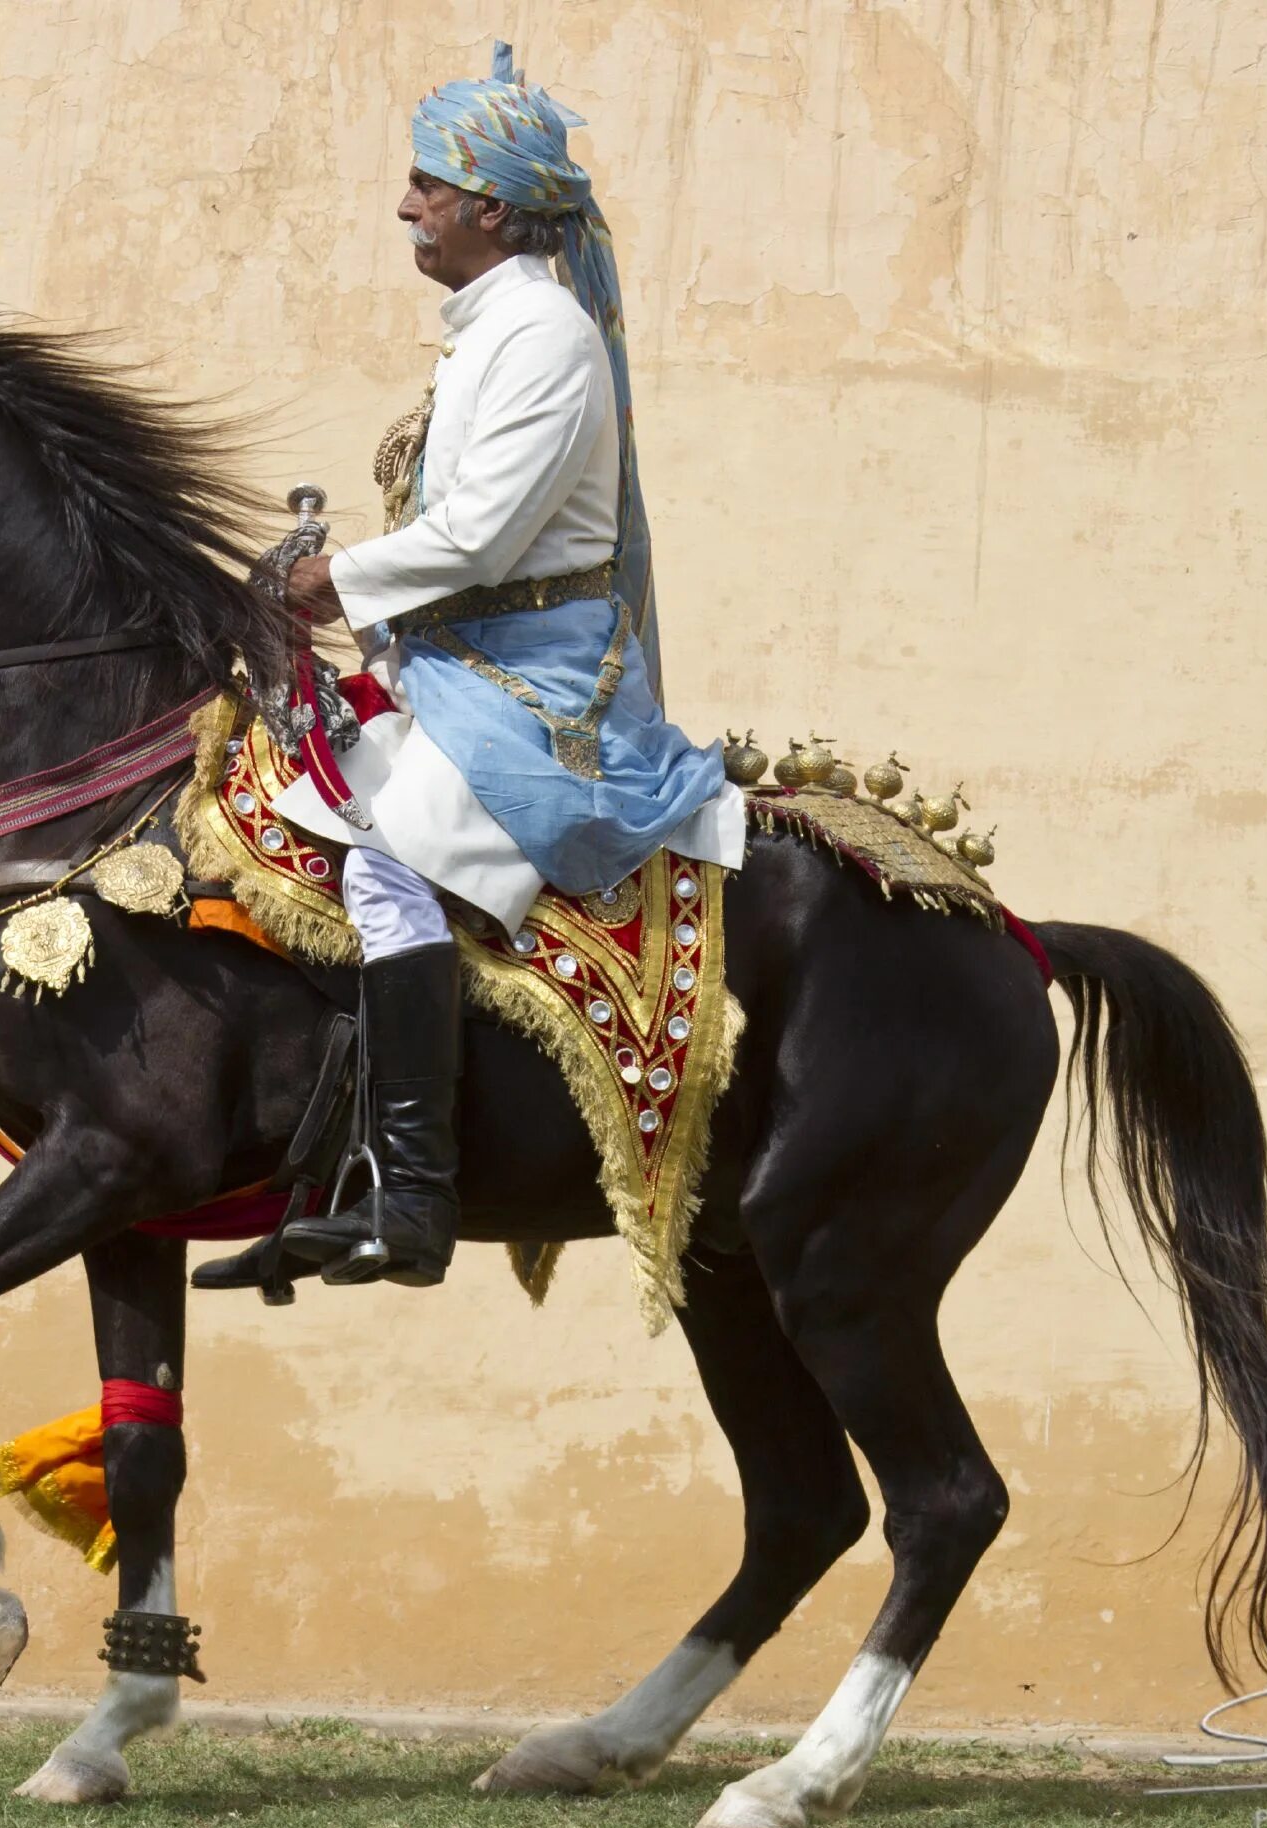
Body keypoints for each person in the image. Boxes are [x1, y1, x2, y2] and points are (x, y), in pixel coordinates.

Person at [203, 42, 745, 1296]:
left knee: (389, 862)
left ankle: (413, 1197)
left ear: (490, 207)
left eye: (424, 183)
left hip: (536, 692)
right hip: (459, 663)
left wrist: (330, 580)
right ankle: (334, 1166)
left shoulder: (542, 337)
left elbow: (482, 536)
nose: (405, 206)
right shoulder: (487, 331)